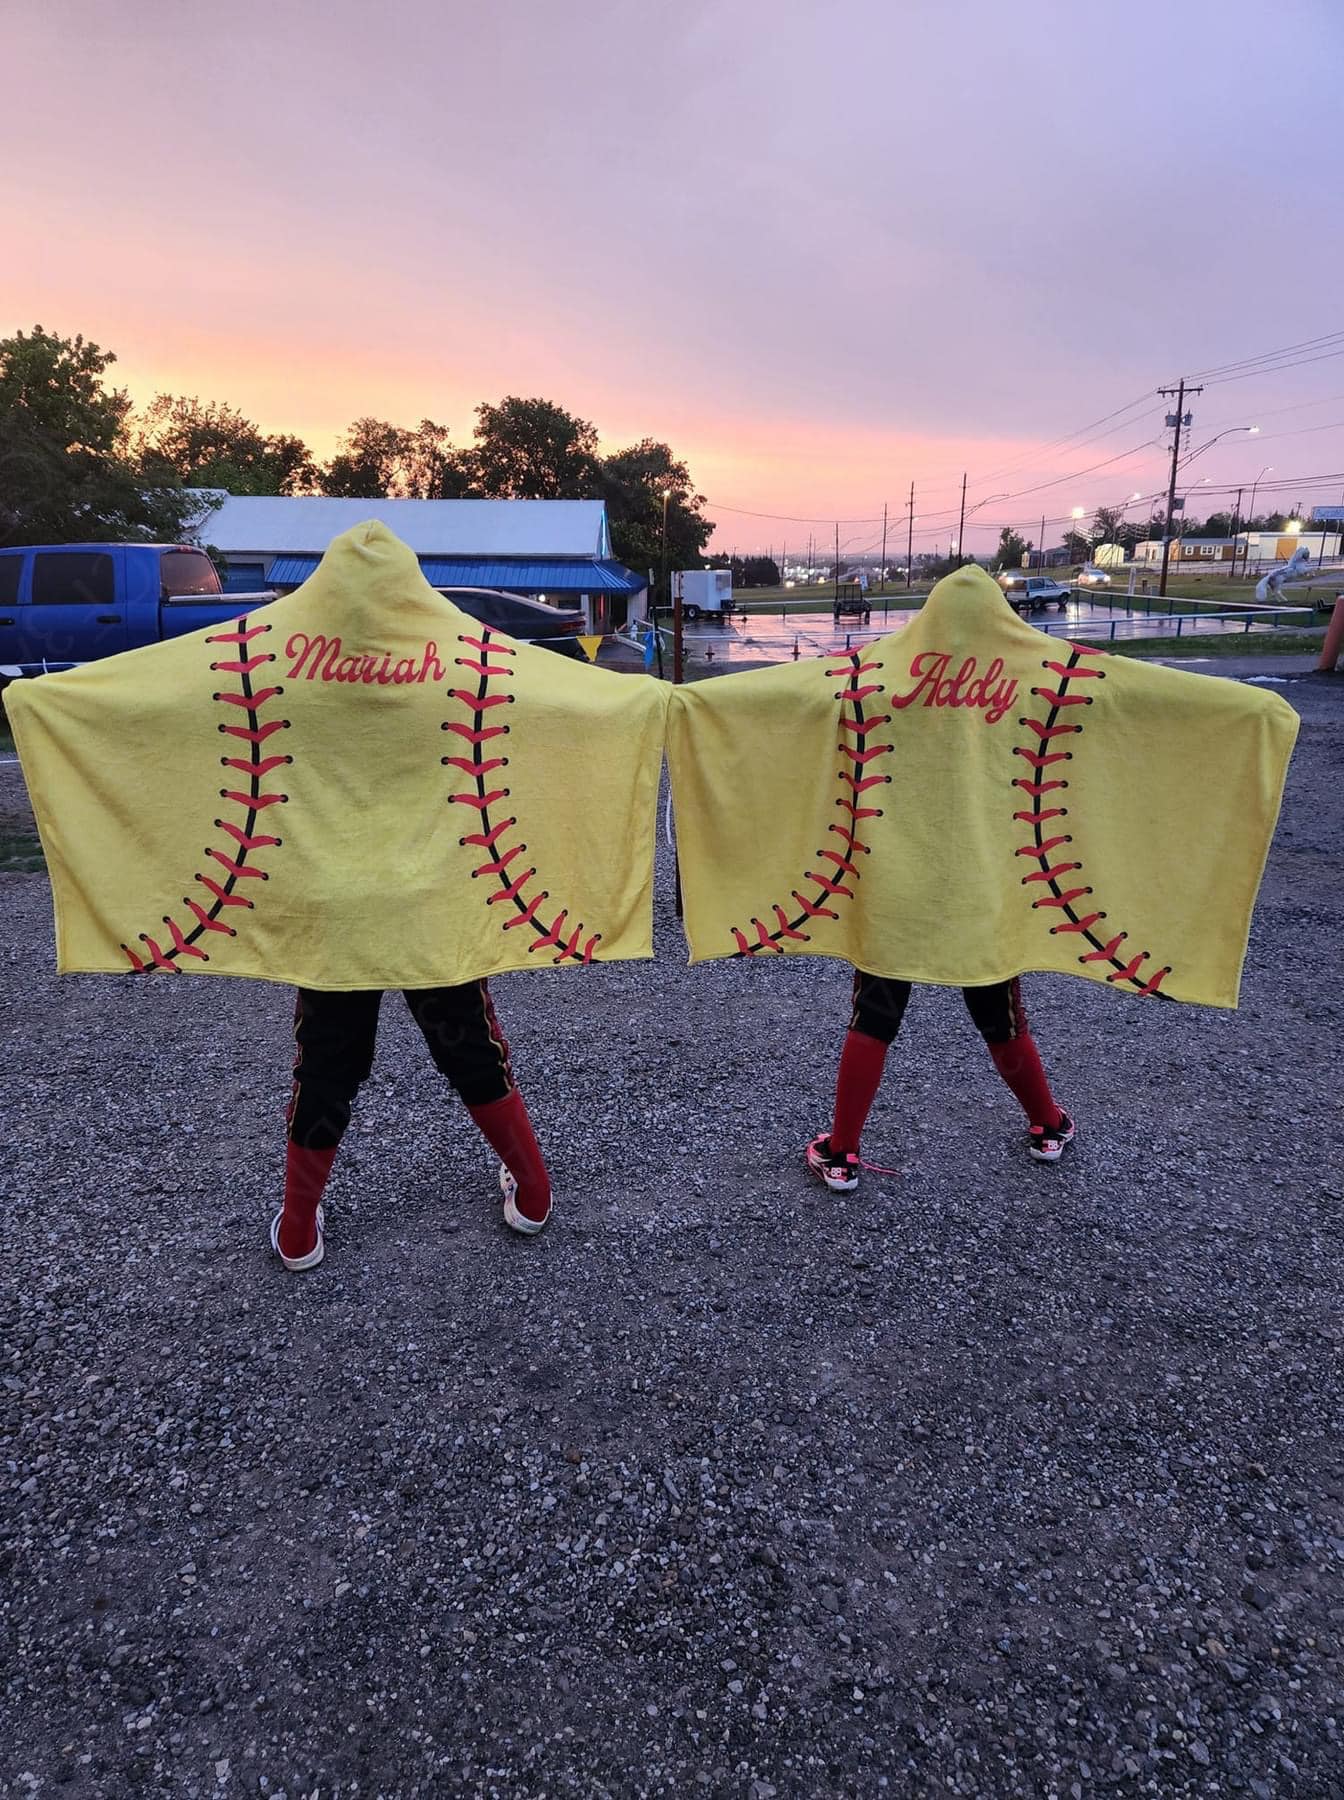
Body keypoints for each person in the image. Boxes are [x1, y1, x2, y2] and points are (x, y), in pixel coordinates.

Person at [273, 982, 551, 1270]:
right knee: (470, 1043)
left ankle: (297, 1234)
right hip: (430, 938)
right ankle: (533, 1197)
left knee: (327, 1061)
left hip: (341, 941)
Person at [805, 971, 1074, 1193]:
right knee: (1002, 1019)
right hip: (977, 917)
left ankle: (841, 1154)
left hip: (894, 916)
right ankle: (1048, 1126)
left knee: (872, 1019)